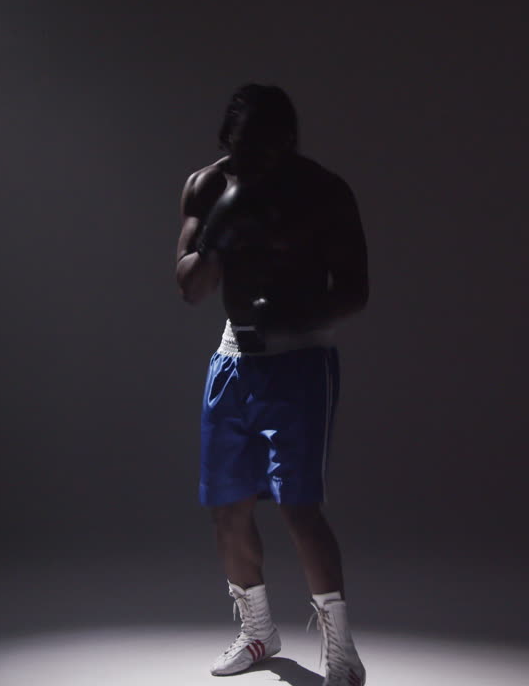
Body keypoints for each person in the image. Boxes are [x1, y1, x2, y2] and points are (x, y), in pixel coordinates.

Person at [174, 84, 369, 685]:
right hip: (235, 361)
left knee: (297, 507)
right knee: (227, 510)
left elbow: (356, 289)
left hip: (300, 362)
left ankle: (342, 652)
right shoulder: (209, 186)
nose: (253, 163)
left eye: (265, 151)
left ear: (288, 144)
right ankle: (259, 632)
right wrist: (221, 231)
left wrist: (292, 305)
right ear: (225, 143)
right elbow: (190, 287)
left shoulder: (323, 192)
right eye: (242, 150)